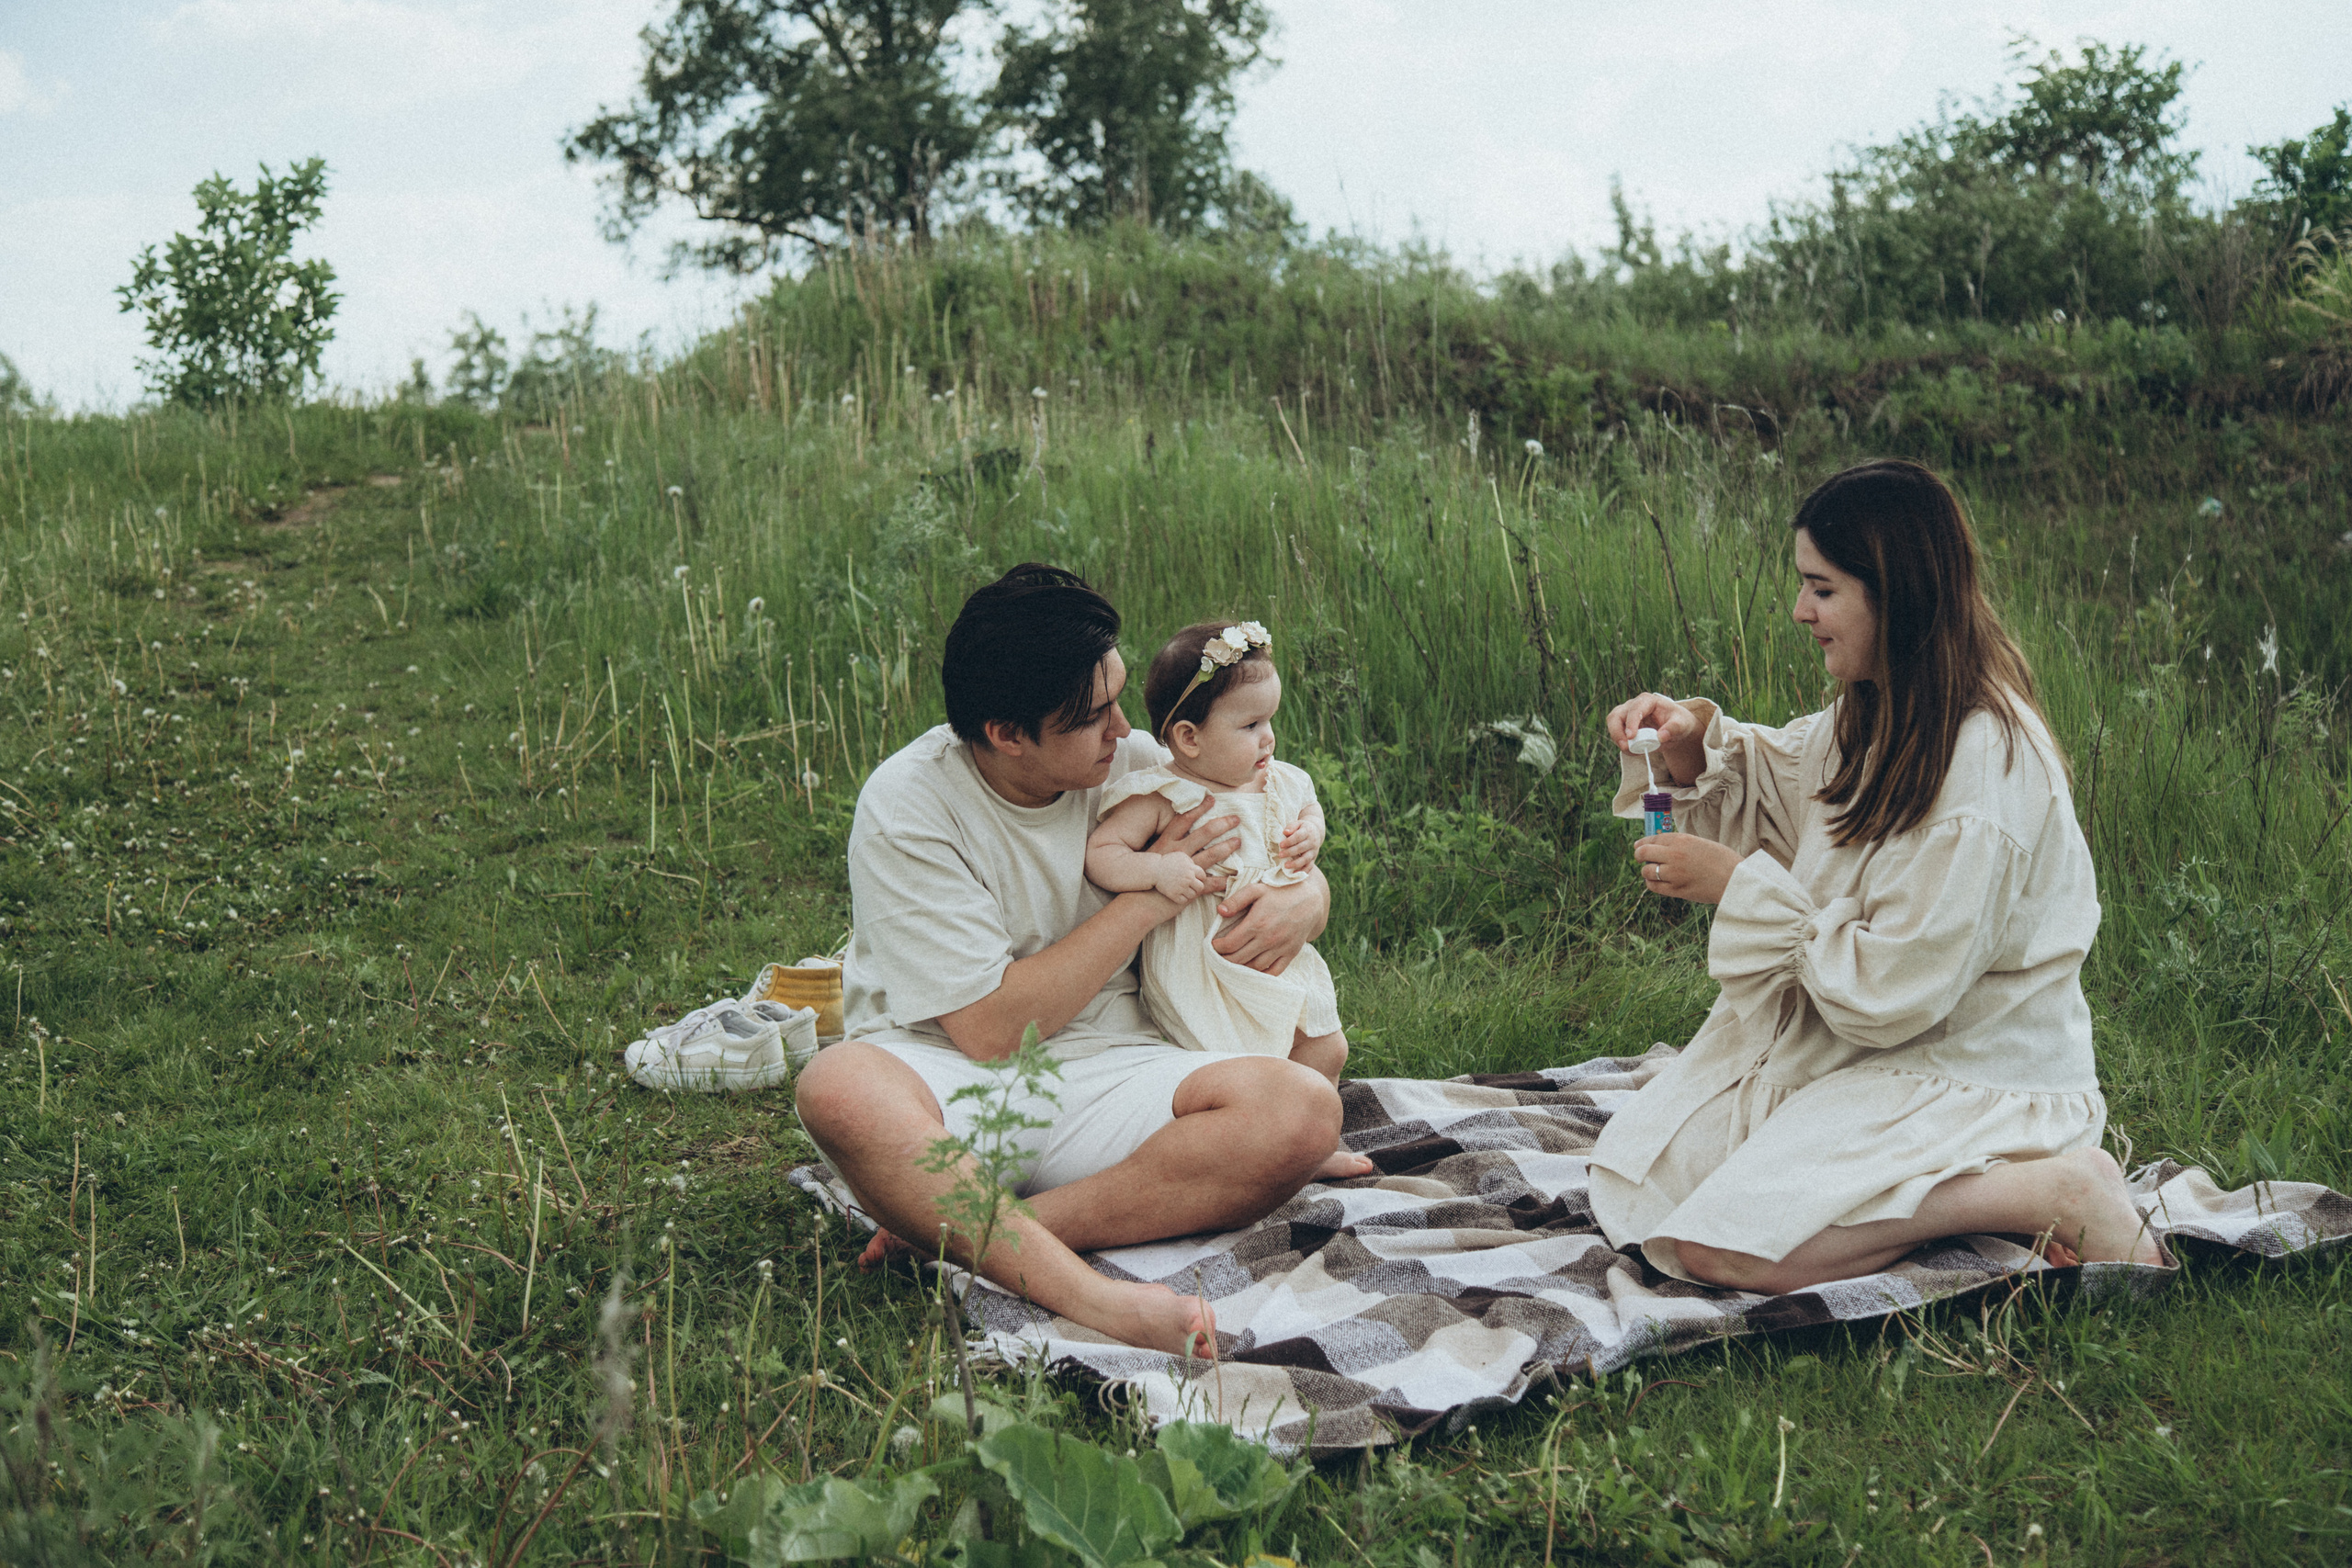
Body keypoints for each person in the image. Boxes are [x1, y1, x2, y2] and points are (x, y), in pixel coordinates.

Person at [1591, 458, 2166, 1294]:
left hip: (1967, 1068)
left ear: (1893, 593)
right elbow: (1797, 787)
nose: (1800, 611)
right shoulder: (1883, 705)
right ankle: (1935, 1197)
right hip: (1877, 1049)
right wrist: (1684, 740)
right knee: (1652, 1186)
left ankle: (2048, 1187)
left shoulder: (1985, 763)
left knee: (1719, 1251)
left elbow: (1898, 986)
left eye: (1822, 589)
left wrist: (1738, 886)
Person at [792, 565, 1373, 1358]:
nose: (1124, 727)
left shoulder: (1138, 763)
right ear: (1005, 732)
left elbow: (1266, 832)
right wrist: (1150, 898)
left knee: (1304, 1109)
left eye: (1119, 696)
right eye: (1093, 716)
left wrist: (1312, 899)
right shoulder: (911, 807)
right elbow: (992, 1031)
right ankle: (1098, 1300)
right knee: (838, 1087)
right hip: (949, 1067)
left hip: (1118, 1063)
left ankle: (985, 1231)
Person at [1084, 620, 1349, 1086]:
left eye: (1269, 720)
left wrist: (1311, 831)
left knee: (1325, 1045)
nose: (1268, 737)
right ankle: (1265, 1142)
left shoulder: (1281, 780)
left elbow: (1310, 808)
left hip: (1277, 951)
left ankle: (1311, 1136)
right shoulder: (1163, 794)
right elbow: (1103, 852)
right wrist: (1158, 868)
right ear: (1189, 738)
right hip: (1201, 962)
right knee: (1233, 1065)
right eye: (1250, 725)